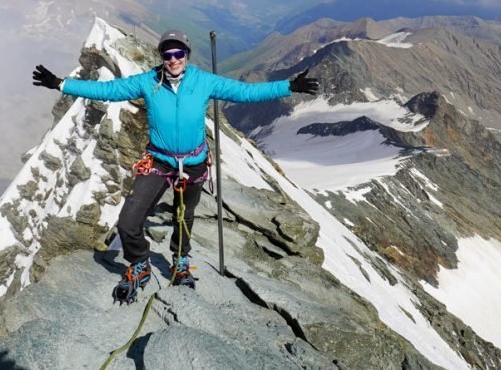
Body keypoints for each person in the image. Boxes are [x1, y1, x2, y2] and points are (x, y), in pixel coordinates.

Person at [32, 29, 319, 303]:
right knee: (128, 221)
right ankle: (140, 263)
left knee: (184, 216)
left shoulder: (203, 81)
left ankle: (180, 260)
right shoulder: (148, 82)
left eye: (178, 53)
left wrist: (289, 86)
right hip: (159, 161)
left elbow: (244, 93)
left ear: (187, 55)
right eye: (167, 54)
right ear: (161, 56)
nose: (173, 59)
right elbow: (110, 89)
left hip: (193, 163)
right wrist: (62, 84)